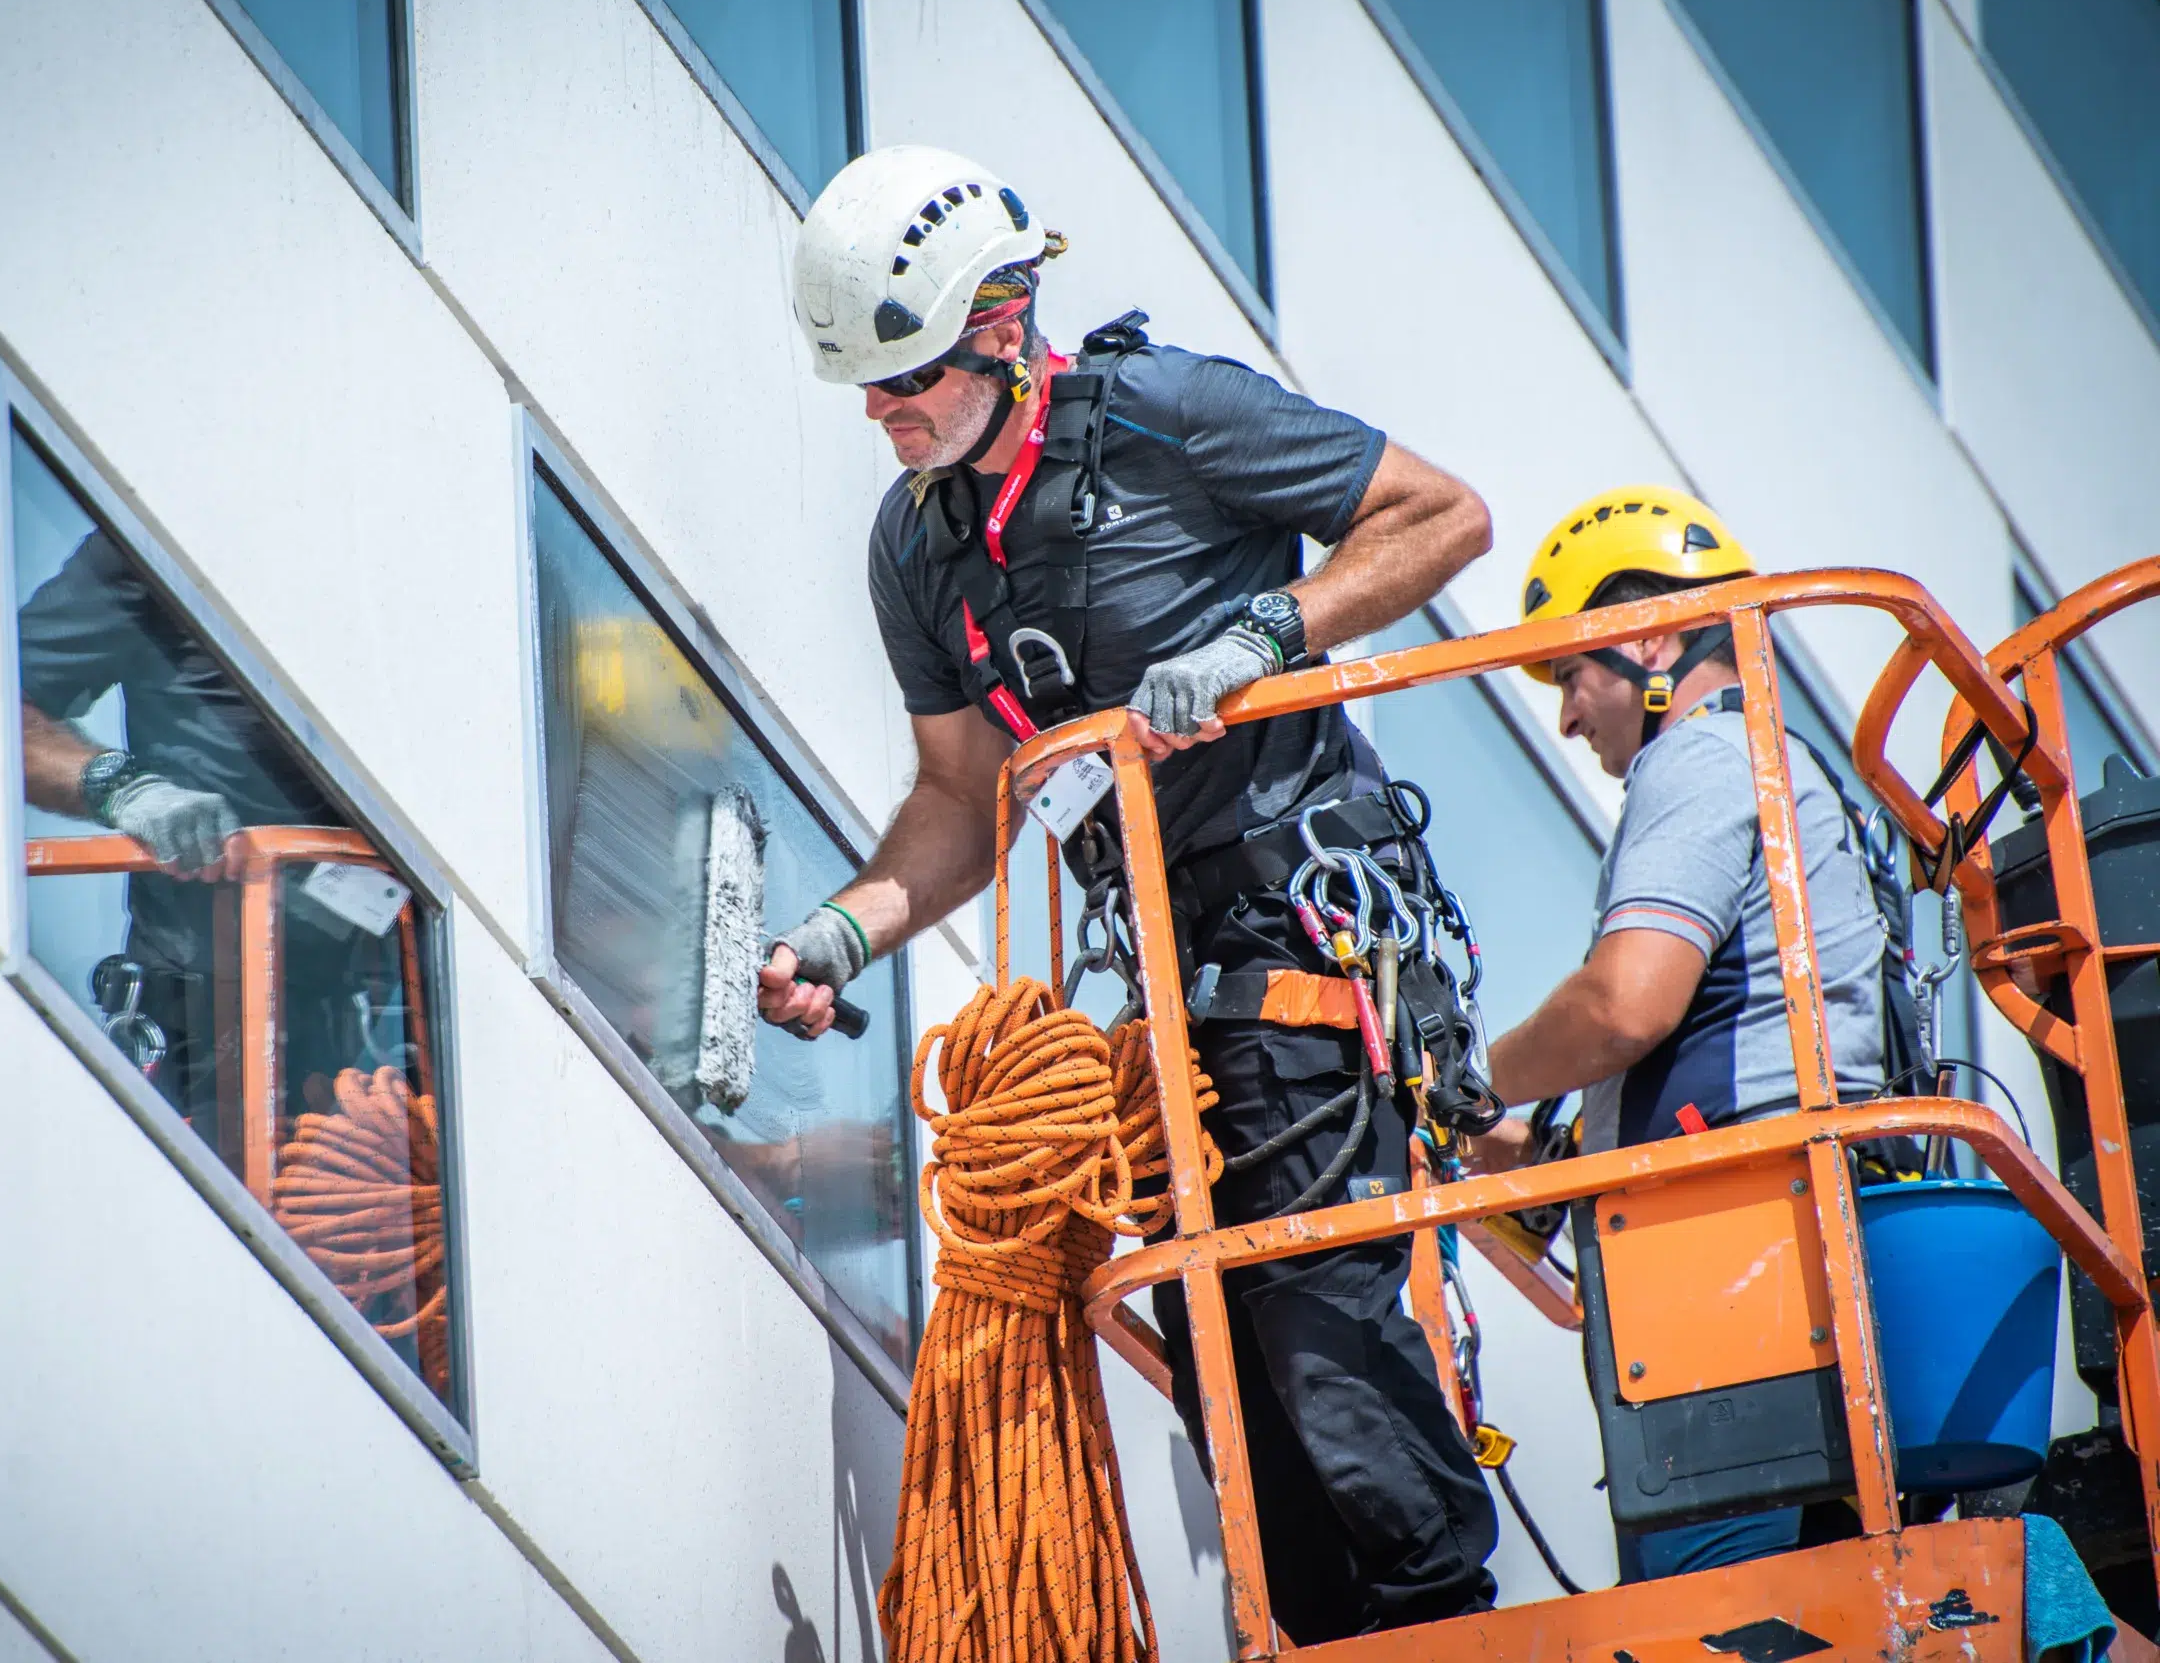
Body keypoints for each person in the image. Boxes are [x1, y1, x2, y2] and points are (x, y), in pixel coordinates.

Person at [758, 144, 1500, 1643]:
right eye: (866, 391)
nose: (882, 415)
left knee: (1307, 1308)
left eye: (904, 381)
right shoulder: (919, 549)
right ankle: (1330, 1636)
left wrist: (1265, 633)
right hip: (1173, 991)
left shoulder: (1166, 415)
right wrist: (844, 931)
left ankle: (1447, 1621)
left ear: (1000, 320)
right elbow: (962, 806)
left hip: (1302, 930)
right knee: (1210, 1329)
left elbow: (1441, 516)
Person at [1472, 485, 1891, 1581]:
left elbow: (1623, 1005)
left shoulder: (1701, 759)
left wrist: (1466, 1085)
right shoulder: (1773, 767)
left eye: (1571, 672)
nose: (1567, 716)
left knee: (1718, 1609)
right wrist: (1482, 1151)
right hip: (1783, 1255)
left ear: (1652, 634)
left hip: (1737, 1285)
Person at [18, 527, 398, 1128]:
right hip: (210, 1009)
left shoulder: (412, 554)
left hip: (404, 1003)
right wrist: (121, 789)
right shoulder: (159, 538)